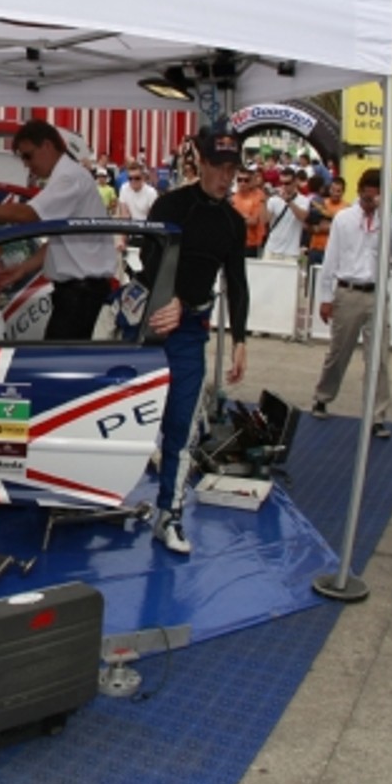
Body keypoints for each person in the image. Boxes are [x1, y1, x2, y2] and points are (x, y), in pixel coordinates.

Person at [144, 124, 251, 554]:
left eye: (233, 169)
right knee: (122, 419)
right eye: (219, 167)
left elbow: (237, 283)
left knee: (181, 426)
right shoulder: (169, 204)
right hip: (148, 328)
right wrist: (165, 300)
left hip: (189, 331)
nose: (226, 177)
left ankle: (168, 514)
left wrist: (241, 339)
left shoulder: (232, 221)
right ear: (201, 164)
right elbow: (149, 258)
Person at [0, 119, 112, 340]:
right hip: (78, 292)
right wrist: (23, 269)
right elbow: (65, 242)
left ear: (47, 145)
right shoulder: (69, 176)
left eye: (28, 155)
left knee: (59, 364)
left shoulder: (68, 178)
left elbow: (27, 214)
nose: (26, 164)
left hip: (80, 294)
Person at [310, 169, 392, 436]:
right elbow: (331, 258)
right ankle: (323, 395)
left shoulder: (389, 220)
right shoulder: (344, 218)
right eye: (366, 194)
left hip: (376, 293)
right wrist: (326, 298)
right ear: (360, 191)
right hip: (348, 290)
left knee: (379, 358)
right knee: (339, 352)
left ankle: (376, 415)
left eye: (375, 195)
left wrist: (383, 216)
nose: (369, 199)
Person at [263, 169, 309, 261]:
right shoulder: (274, 199)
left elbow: (302, 216)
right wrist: (263, 200)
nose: (284, 186)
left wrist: (289, 201)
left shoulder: (303, 200)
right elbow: (265, 220)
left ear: (295, 182)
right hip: (271, 249)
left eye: (287, 183)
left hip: (291, 252)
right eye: (282, 183)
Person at [307, 175, 347, 268]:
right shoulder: (320, 203)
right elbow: (309, 226)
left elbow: (342, 229)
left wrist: (324, 228)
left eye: (338, 191)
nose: (335, 193)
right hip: (315, 249)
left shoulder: (346, 208)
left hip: (333, 252)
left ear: (343, 192)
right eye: (333, 190)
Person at [232, 167, 269, 253]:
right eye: (239, 180)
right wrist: (244, 217)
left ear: (250, 182)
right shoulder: (233, 197)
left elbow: (253, 221)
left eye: (246, 180)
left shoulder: (257, 197)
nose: (242, 183)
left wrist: (236, 217)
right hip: (234, 242)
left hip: (251, 244)